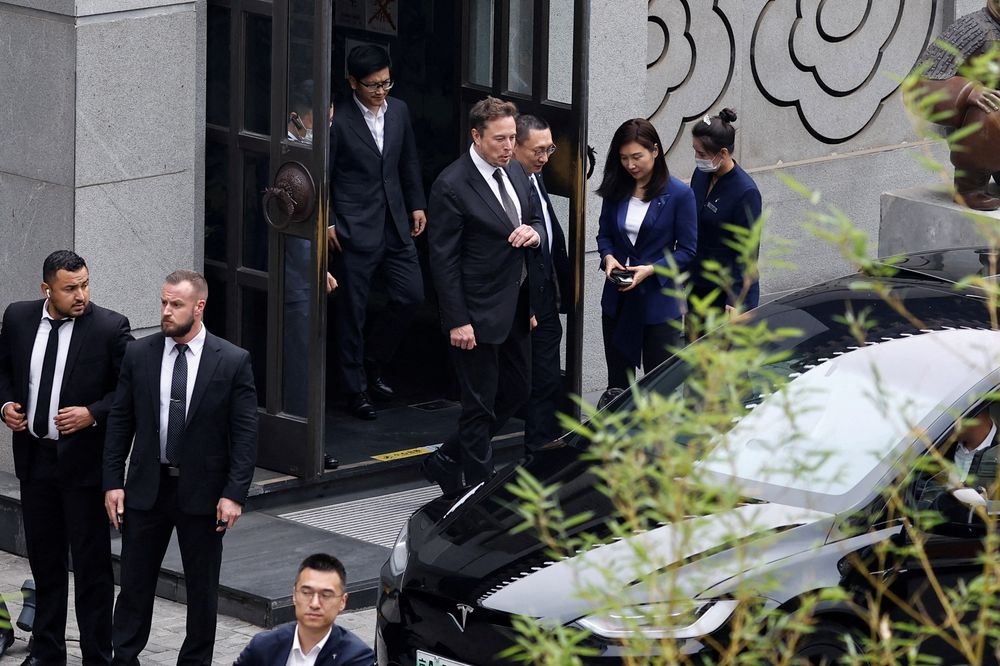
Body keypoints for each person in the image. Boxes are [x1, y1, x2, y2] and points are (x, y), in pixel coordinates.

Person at [102, 269, 258, 666]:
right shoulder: (140, 353)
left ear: (199, 307)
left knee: (202, 590)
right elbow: (121, 421)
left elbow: (245, 435)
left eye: (176, 304)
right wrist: (113, 482)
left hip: (203, 494)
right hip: (146, 488)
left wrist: (234, 494)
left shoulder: (233, 360)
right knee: (134, 583)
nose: (166, 312)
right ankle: (125, 658)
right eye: (163, 302)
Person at [0, 250, 132, 666]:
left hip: (84, 468)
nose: (81, 295)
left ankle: (97, 655)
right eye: (70, 288)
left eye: (85, 284)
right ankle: (46, 652)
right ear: (47, 290)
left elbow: (130, 391)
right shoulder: (19, 318)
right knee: (45, 561)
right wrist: (5, 404)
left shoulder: (110, 327)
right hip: (36, 461)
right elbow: (3, 369)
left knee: (92, 569)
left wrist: (93, 413)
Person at [422, 96, 545, 494]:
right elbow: (443, 260)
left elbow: (534, 215)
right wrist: (457, 320)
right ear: (476, 136)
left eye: (512, 138)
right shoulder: (452, 185)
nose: (509, 147)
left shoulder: (514, 172)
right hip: (473, 313)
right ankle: (478, 491)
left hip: (513, 307)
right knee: (479, 406)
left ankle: (446, 458)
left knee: (518, 391)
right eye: (499, 139)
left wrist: (534, 231)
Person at [327, 44, 426, 420]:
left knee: (411, 296)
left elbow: (407, 160)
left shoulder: (398, 110)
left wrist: (416, 203)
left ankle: (373, 360)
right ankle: (355, 389)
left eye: (386, 83)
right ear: (353, 82)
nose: (381, 91)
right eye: (373, 85)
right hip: (354, 227)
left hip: (395, 221)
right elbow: (322, 173)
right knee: (352, 311)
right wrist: (330, 220)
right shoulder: (338, 118)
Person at [595, 118, 697, 404]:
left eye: (636, 157)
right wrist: (608, 258)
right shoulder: (617, 189)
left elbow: (688, 251)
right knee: (618, 386)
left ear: (655, 150)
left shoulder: (679, 194)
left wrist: (651, 269)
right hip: (618, 298)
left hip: (659, 301)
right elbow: (604, 234)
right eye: (624, 158)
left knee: (660, 387)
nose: (630, 165)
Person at [513, 114, 573, 450]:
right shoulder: (510, 183)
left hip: (546, 290)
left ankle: (542, 441)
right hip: (525, 299)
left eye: (549, 149)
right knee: (526, 381)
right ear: (515, 146)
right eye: (538, 151)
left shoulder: (536, 175)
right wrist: (529, 304)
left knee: (548, 377)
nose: (545, 158)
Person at [913, 1, 1000, 210]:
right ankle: (970, 188)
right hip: (981, 124)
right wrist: (969, 91)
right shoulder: (973, 28)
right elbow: (920, 82)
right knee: (991, 106)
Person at [233, 553, 373, 666]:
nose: (314, 603)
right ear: (294, 595)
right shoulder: (264, 646)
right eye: (306, 593)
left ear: (342, 601)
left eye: (325, 595)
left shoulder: (357, 657)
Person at [689, 108, 762, 321]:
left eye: (702, 154)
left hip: (727, 294)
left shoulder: (745, 192)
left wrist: (736, 299)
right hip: (699, 286)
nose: (697, 158)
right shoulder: (702, 175)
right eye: (695, 151)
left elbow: (747, 253)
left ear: (722, 153)